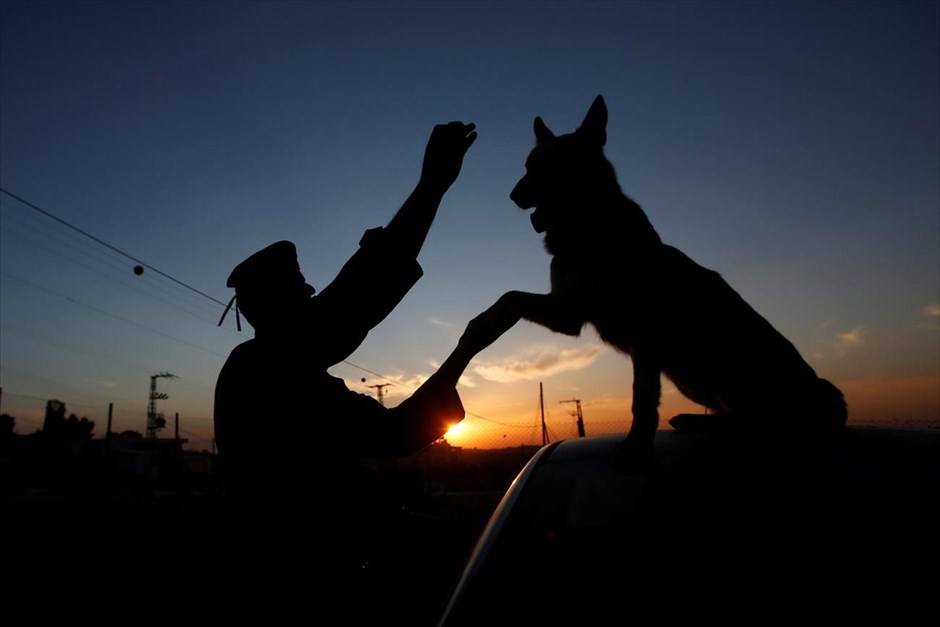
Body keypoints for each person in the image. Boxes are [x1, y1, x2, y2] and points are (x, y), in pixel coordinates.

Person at [212, 121, 482, 603]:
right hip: (307, 577)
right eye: (302, 292)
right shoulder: (271, 373)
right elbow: (392, 433)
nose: (315, 294)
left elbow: (353, 301)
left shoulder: (267, 368)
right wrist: (464, 352)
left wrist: (431, 188)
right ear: (275, 309)